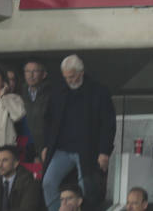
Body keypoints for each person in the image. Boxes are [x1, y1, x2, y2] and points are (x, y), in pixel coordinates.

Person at [41, 54, 115, 211]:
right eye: (66, 77)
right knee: (48, 182)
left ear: (81, 73)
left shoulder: (99, 92)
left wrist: (104, 151)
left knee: (86, 188)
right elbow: (48, 121)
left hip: (87, 149)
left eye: (72, 76)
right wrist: (46, 146)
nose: (69, 80)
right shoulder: (58, 91)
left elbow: (108, 124)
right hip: (61, 149)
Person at [0, 145, 46, 211]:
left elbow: (27, 209)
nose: (0, 165)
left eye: (5, 160)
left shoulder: (30, 181)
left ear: (16, 163)